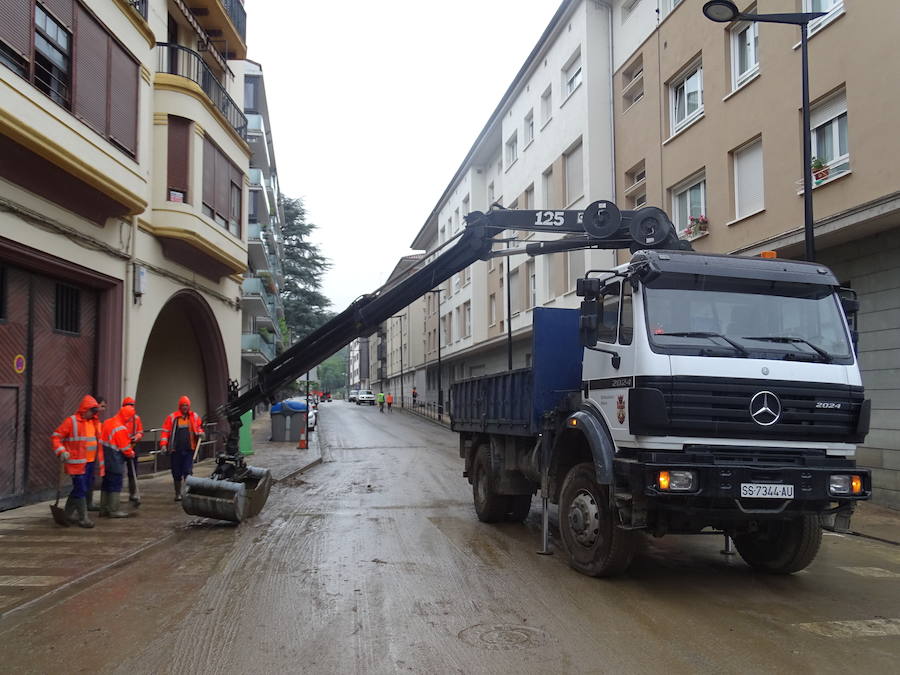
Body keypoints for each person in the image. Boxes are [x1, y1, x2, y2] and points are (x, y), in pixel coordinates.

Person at [50, 395, 102, 528]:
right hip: (76, 463)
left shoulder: (93, 422)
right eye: (92, 410)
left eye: (95, 411)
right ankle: (83, 518)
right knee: (80, 489)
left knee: (81, 489)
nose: (94, 413)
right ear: (85, 409)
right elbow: (56, 437)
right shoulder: (71, 422)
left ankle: (67, 514)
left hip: (89, 462)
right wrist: (62, 451)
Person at [160, 395, 204, 501]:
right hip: (176, 451)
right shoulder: (172, 417)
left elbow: (198, 428)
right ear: (179, 406)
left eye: (186, 405)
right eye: (183, 405)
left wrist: (202, 433)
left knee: (188, 470)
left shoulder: (194, 417)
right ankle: (178, 493)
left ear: (189, 406)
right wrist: (163, 445)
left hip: (189, 450)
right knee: (176, 472)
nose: (185, 407)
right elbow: (165, 432)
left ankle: (188, 491)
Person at [99, 404, 137, 518]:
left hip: (105, 457)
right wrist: (131, 453)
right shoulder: (120, 428)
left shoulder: (107, 422)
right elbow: (125, 448)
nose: (130, 419)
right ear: (127, 416)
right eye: (130, 417)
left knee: (106, 484)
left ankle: (103, 508)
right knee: (115, 484)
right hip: (115, 459)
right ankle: (113, 510)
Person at [85, 396, 107, 513]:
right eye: (102, 406)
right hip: (81, 459)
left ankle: (88, 503)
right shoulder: (86, 421)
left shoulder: (96, 421)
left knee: (90, 481)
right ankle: (82, 507)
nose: (103, 409)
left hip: (91, 458)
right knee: (82, 483)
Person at [121, 397, 144, 506]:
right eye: (128, 405)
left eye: (131, 405)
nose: (130, 407)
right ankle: (116, 493)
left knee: (133, 471)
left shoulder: (136, 418)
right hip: (121, 447)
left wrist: (137, 437)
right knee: (117, 471)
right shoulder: (120, 418)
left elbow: (140, 431)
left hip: (133, 446)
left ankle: (133, 493)